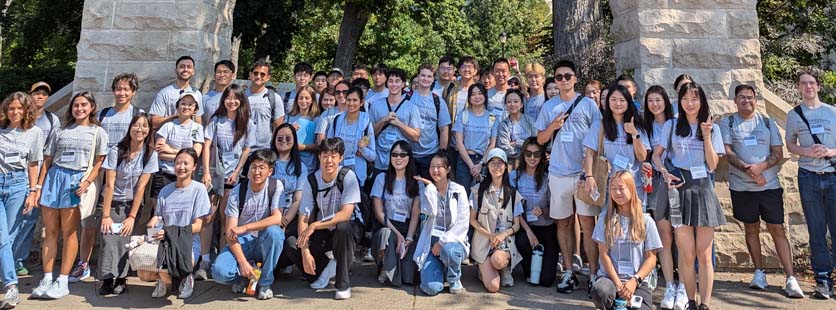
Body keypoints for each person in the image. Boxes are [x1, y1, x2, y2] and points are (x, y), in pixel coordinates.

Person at [720, 84, 803, 298]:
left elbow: (777, 152)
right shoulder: (728, 122)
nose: (746, 101)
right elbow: (727, 152)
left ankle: (790, 277)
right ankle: (759, 272)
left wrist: (760, 168)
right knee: (751, 229)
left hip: (769, 186)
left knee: (777, 229)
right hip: (742, 186)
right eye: (742, 97)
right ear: (735, 100)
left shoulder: (767, 122)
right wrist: (748, 169)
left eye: (750, 97)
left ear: (756, 100)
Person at [652, 82, 726, 310]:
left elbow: (713, 165)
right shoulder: (671, 125)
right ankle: (690, 301)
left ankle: (705, 303)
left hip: (702, 188)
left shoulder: (711, 128)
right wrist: (664, 172)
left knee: (703, 254)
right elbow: (657, 156)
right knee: (686, 252)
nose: (690, 103)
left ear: (701, 101)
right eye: (685, 99)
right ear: (680, 101)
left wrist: (706, 136)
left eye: (694, 99)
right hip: (677, 189)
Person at [33, 91, 108, 300]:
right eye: (76, 105)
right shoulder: (60, 129)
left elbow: (99, 162)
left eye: (84, 105)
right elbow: (48, 160)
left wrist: (87, 182)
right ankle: (47, 277)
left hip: (76, 182)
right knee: (50, 232)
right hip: (54, 178)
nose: (79, 108)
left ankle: (63, 279)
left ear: (91, 107)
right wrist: (39, 186)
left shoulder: (97, 132)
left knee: (69, 232)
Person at [535, 60, 602, 294]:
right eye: (559, 77)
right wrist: (553, 126)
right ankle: (568, 271)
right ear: (554, 80)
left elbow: (598, 139)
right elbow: (540, 140)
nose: (563, 80)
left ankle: (593, 273)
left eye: (567, 76)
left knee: (587, 223)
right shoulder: (548, 106)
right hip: (559, 173)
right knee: (562, 223)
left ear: (575, 78)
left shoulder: (588, 106)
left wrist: (590, 170)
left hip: (583, 174)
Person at [73, 73, 144, 284]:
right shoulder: (104, 114)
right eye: (118, 89)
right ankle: (83, 263)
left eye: (126, 89)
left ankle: (121, 267)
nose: (122, 93)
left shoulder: (137, 113)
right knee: (90, 221)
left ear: (133, 92)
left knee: (125, 221)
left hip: (126, 174)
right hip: (100, 172)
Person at [285, 138, 361, 300]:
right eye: (325, 155)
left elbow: (346, 214)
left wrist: (314, 225)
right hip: (323, 230)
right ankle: (326, 267)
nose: (329, 160)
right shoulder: (312, 180)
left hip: (346, 230)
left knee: (343, 227)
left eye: (334, 156)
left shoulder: (348, 176)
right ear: (319, 157)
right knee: (292, 241)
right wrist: (305, 252)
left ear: (341, 158)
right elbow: (303, 219)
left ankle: (342, 284)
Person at [785, 71, 836, 299]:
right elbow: (790, 144)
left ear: (818, 86)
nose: (808, 87)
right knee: (816, 231)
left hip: (833, 174)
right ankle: (823, 281)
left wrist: (829, 151)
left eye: (812, 83)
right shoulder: (794, 115)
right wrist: (806, 151)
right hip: (808, 176)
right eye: (803, 83)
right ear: (798, 87)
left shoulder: (832, 112)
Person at [197, 84, 256, 280]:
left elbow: (247, 149)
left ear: (241, 101)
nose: (232, 101)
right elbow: (206, 146)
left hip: (233, 177)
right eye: (228, 97)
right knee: (208, 217)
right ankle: (205, 259)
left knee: (227, 219)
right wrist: (206, 172)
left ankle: (223, 258)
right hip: (214, 175)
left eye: (235, 98)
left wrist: (238, 171)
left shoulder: (247, 123)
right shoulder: (216, 120)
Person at [97, 112, 159, 295]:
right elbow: (109, 184)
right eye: (136, 125)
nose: (140, 129)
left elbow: (141, 187)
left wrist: (132, 216)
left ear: (149, 131)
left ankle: (122, 279)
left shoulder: (149, 154)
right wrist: (106, 215)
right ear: (130, 127)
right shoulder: (116, 150)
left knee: (125, 240)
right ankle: (107, 278)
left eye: (144, 126)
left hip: (131, 204)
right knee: (108, 238)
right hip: (111, 201)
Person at [211, 149, 285, 300]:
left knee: (275, 233)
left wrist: (246, 227)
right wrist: (242, 262)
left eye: (261, 168)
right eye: (253, 167)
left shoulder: (276, 186)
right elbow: (230, 233)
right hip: (242, 242)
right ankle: (242, 276)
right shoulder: (237, 192)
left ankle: (265, 283)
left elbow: (277, 218)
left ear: (270, 171)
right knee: (219, 273)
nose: (256, 172)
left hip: (262, 240)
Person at [591, 171, 662, 310]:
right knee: (601, 292)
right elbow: (603, 254)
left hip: (637, 281)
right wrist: (618, 284)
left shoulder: (646, 221)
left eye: (621, 188)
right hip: (610, 279)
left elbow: (651, 258)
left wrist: (635, 281)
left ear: (631, 188)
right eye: (613, 189)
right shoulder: (604, 218)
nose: (617, 192)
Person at [147, 148, 210, 299]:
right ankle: (164, 280)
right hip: (165, 240)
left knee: (181, 263)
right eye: (178, 163)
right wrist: (153, 222)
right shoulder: (165, 191)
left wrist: (171, 232)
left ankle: (187, 277)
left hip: (187, 241)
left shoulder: (199, 189)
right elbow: (158, 218)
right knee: (144, 271)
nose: (181, 167)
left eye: (186, 163)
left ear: (194, 167)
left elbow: (198, 226)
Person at [0, 92, 44, 307]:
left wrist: (33, 191)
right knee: (2, 237)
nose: (15, 112)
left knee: (9, 235)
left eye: (19, 108)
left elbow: (34, 163)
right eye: (11, 108)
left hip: (18, 185)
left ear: (26, 110)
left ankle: (7, 277)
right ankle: (11, 286)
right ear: (5, 110)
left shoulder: (34, 133)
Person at [640, 85, 680, 309]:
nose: (655, 104)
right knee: (663, 233)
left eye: (658, 100)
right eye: (650, 101)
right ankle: (670, 284)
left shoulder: (676, 122)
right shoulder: (645, 125)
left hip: (678, 179)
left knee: (681, 232)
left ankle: (684, 283)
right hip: (655, 180)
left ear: (666, 100)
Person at [583, 84, 650, 208]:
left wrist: (635, 134)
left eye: (622, 100)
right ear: (608, 102)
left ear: (628, 102)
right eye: (613, 99)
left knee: (635, 223)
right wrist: (589, 176)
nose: (617, 103)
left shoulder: (638, 125)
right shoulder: (599, 125)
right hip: (609, 185)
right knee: (610, 223)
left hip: (633, 184)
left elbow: (642, 157)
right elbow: (589, 153)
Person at [413, 151, 470, 296]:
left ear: (448, 169)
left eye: (440, 166)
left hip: (453, 243)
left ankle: (453, 278)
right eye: (432, 166)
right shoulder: (427, 190)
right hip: (431, 244)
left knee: (449, 251)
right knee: (431, 288)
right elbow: (429, 211)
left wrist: (442, 242)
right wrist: (431, 188)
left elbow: (462, 224)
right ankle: (441, 271)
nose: (435, 170)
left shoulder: (459, 191)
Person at [17, 82, 58, 277]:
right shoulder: (18, 114)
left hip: (36, 176)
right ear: (29, 94)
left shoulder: (52, 120)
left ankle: (18, 260)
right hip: (15, 173)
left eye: (44, 94)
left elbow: (49, 154)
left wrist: (39, 184)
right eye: (36, 93)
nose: (40, 97)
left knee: (28, 220)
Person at [469, 149, 523, 292]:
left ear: (505, 166)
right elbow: (472, 220)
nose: (497, 166)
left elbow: (517, 225)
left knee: (498, 260)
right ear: (488, 166)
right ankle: (483, 270)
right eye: (493, 163)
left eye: (500, 163)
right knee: (493, 287)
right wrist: (490, 235)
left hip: (504, 244)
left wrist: (502, 235)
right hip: (483, 243)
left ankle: (503, 268)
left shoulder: (512, 193)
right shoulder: (478, 191)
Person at [370, 141, 421, 286]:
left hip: (408, 227)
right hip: (388, 225)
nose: (398, 158)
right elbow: (379, 213)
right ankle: (386, 266)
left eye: (403, 154)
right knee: (386, 235)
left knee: (408, 277)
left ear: (409, 157)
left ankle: (392, 267)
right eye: (394, 154)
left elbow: (415, 215)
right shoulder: (381, 179)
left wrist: (409, 238)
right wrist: (398, 234)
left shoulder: (416, 181)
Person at [512, 138, 556, 287]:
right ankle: (529, 268)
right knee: (522, 241)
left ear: (542, 156)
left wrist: (543, 211)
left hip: (546, 227)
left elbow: (555, 209)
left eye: (536, 154)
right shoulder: (515, 176)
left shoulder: (548, 177)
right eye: (529, 154)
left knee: (546, 280)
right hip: (525, 227)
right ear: (523, 155)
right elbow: (514, 209)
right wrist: (528, 230)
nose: (532, 158)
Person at [152, 91, 205, 203]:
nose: (186, 107)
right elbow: (160, 153)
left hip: (186, 176)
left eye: (190, 105)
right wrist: (185, 157)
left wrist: (171, 150)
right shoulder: (168, 126)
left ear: (195, 109)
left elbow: (195, 155)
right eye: (183, 103)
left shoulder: (197, 128)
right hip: (165, 174)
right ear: (177, 106)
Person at [370, 68, 421, 179]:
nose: (394, 84)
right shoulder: (375, 105)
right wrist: (383, 121)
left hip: (402, 160)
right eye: (391, 81)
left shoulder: (411, 107)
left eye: (397, 81)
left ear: (403, 84)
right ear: (387, 83)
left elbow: (416, 137)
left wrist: (399, 124)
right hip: (381, 160)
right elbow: (369, 134)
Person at [271, 123, 308, 275]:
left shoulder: (300, 167)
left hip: (289, 214)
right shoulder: (267, 162)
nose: (284, 141)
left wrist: (285, 219)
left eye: (288, 138)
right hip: (268, 213)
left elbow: (297, 199)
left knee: (289, 242)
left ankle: (283, 263)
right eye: (280, 138)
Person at [325, 87, 377, 185]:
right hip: (337, 173)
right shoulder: (337, 120)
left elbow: (372, 156)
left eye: (355, 100)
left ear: (361, 102)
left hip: (358, 176)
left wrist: (363, 149)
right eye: (349, 100)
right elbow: (328, 146)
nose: (351, 103)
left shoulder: (366, 123)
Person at [408, 63, 451, 178]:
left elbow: (444, 130)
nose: (425, 79)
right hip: (408, 152)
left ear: (433, 79)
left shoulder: (438, 101)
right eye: (423, 75)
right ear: (417, 77)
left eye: (429, 76)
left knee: (430, 189)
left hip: (430, 153)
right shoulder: (407, 98)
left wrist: (441, 154)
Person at [453, 83, 496, 191]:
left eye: (480, 93)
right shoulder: (463, 116)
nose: (477, 97)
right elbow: (459, 143)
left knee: (482, 195)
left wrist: (480, 165)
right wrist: (472, 166)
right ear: (469, 98)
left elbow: (492, 144)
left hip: (484, 161)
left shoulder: (492, 118)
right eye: (473, 94)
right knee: (463, 195)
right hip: (464, 160)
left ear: (485, 96)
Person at [443, 56, 480, 178]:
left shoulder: (478, 91)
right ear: (459, 69)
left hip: (470, 144)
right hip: (452, 141)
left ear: (475, 71)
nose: (467, 69)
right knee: (451, 176)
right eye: (464, 66)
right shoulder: (451, 87)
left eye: (470, 67)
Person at [150, 56, 205, 128]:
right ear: (176, 70)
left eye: (189, 67)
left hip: (188, 138)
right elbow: (154, 122)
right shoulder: (164, 93)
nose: (185, 69)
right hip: (167, 137)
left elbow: (198, 123)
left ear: (193, 71)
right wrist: (177, 117)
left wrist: (195, 137)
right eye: (182, 66)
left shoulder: (197, 94)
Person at [246, 58, 286, 151]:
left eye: (262, 74)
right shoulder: (241, 97)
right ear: (250, 75)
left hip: (265, 150)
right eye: (255, 73)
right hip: (242, 150)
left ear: (268, 77)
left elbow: (278, 127)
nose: (258, 76)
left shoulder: (274, 98)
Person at [493, 89, 536, 169]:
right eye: (509, 102)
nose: (512, 104)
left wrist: (517, 143)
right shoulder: (504, 125)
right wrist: (528, 150)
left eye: (516, 101)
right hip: (512, 166)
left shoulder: (530, 121)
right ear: (505, 105)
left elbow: (535, 142)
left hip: (532, 164)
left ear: (522, 104)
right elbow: (505, 149)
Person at [286, 85, 321, 172]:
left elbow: (319, 145)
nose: (303, 101)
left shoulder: (317, 119)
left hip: (309, 164)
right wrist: (289, 130)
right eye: (301, 98)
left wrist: (303, 147)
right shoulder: (289, 117)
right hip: (290, 162)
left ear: (312, 100)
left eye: (307, 98)